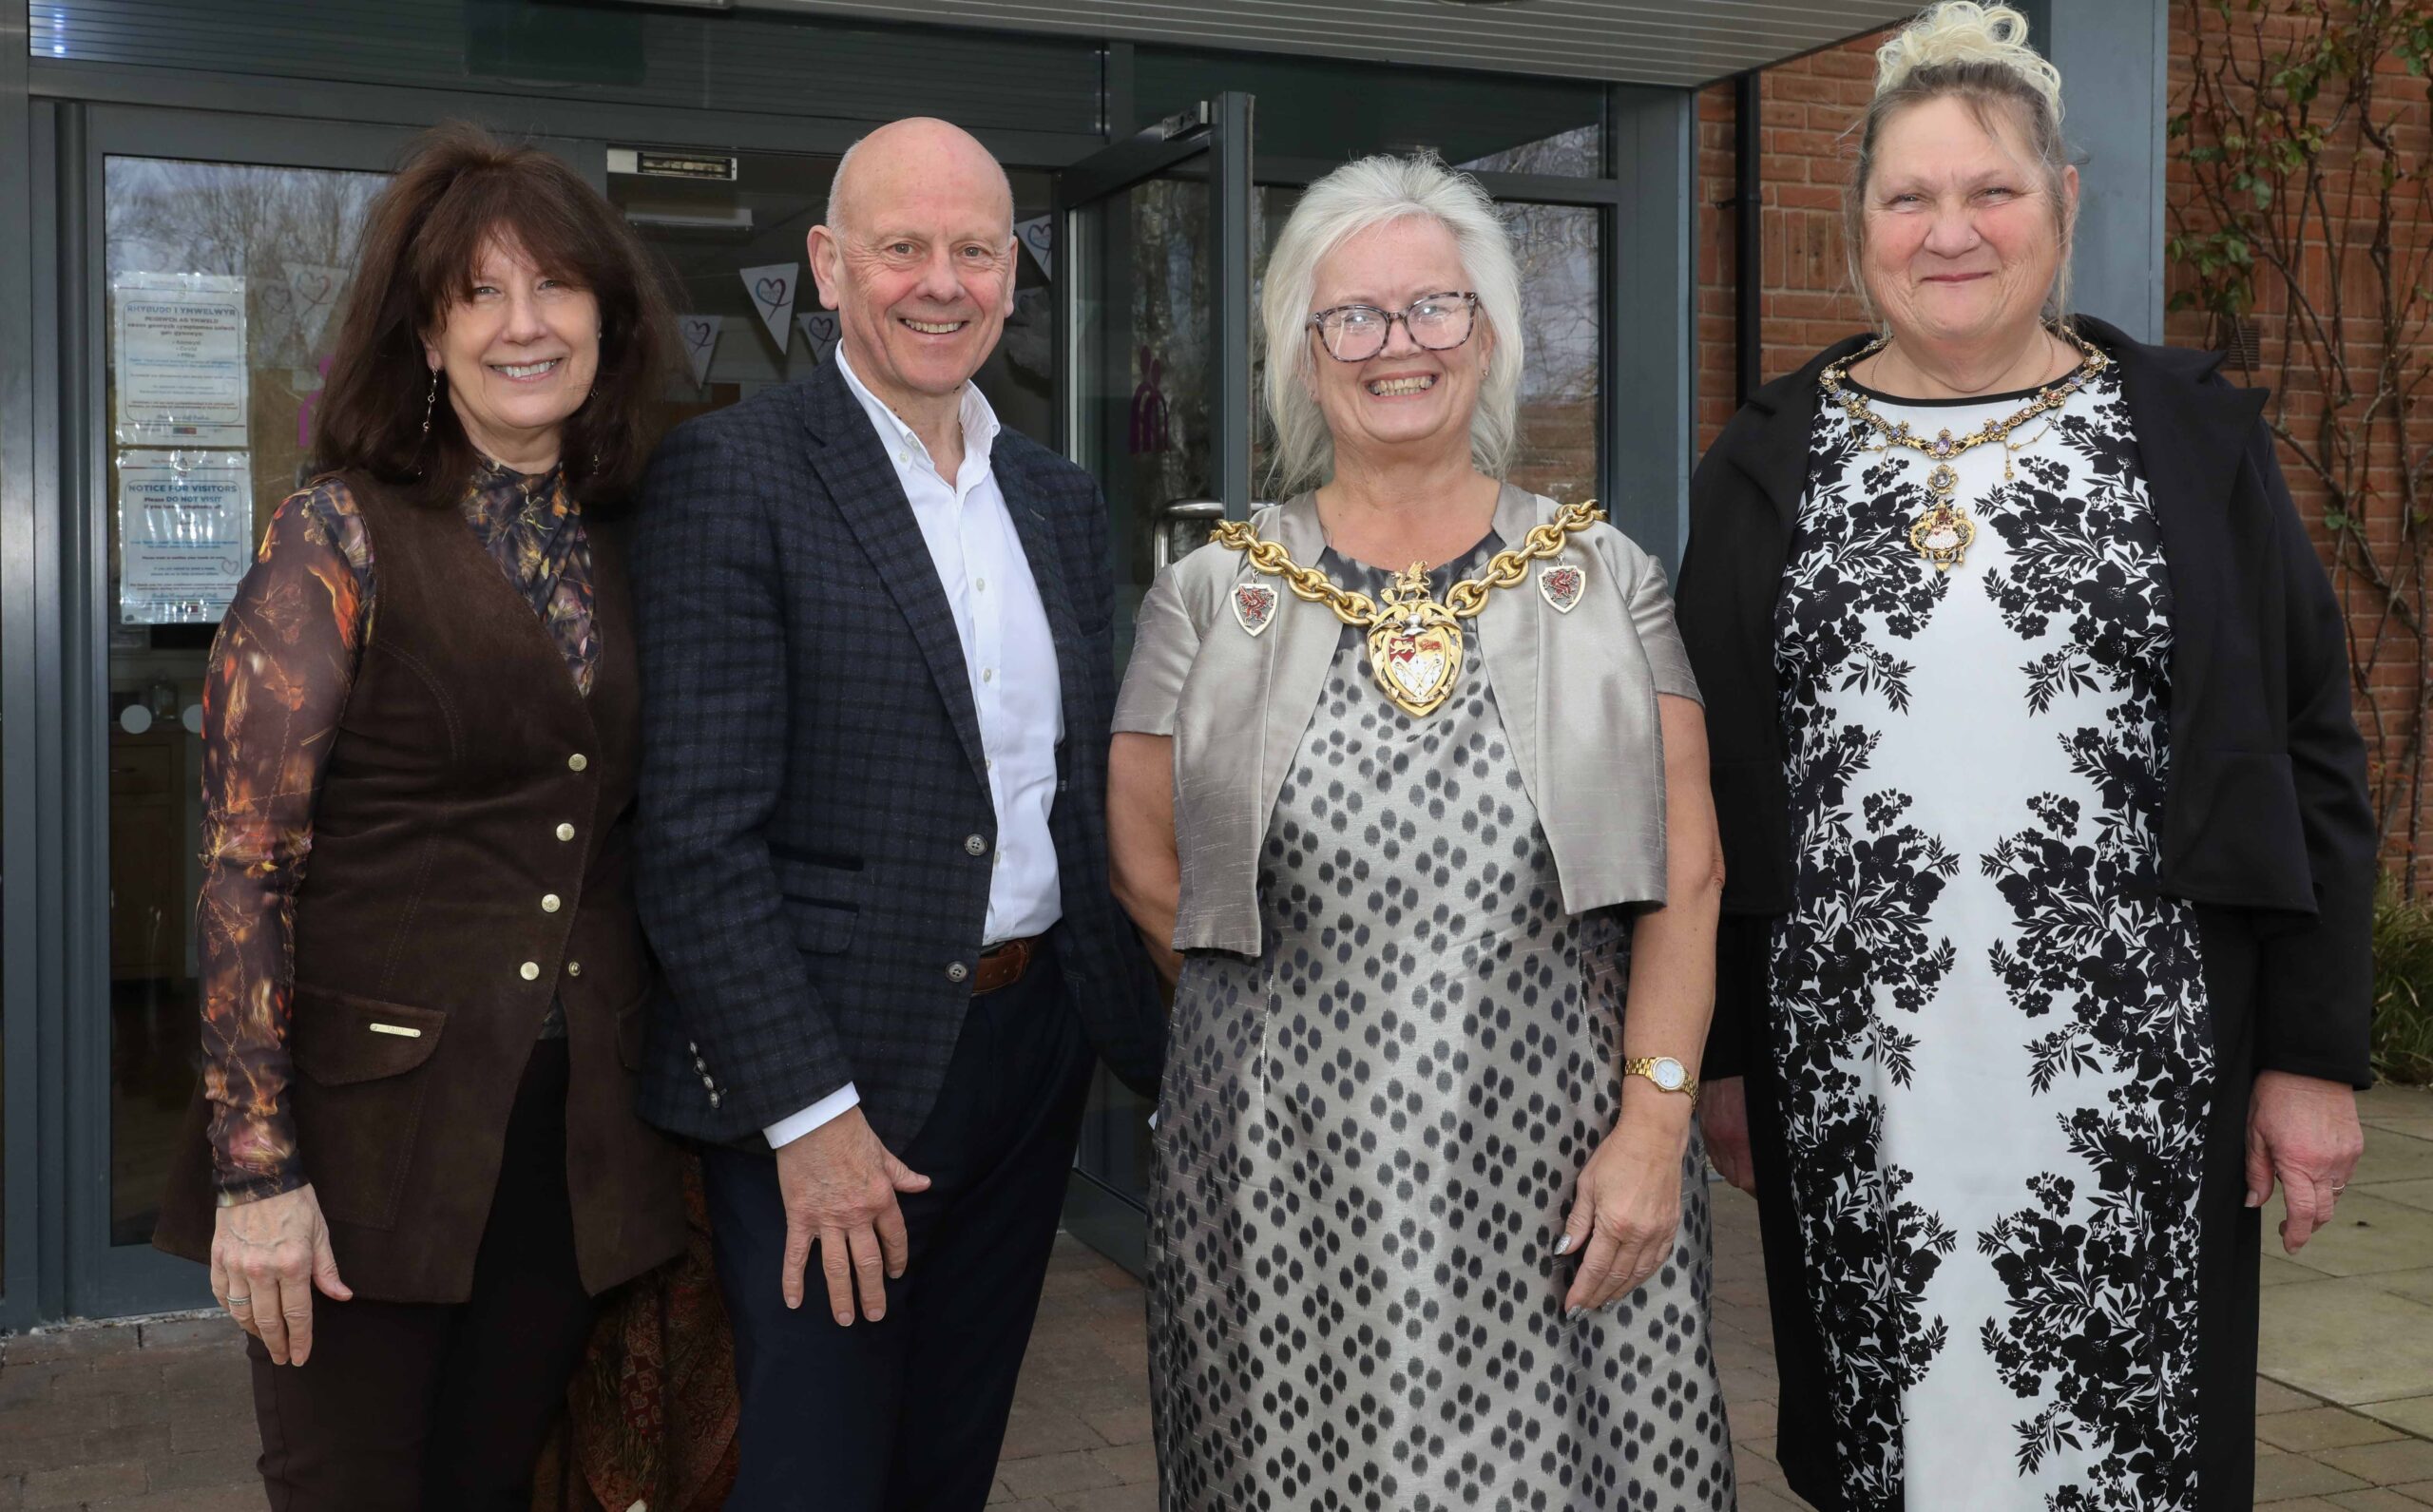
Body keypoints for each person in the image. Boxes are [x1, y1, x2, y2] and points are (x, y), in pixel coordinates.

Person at [1675, 7, 2375, 1508]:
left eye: (1990, 191)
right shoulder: (1763, 461)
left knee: (2129, 1456)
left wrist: (2312, 1057)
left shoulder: (2191, 440)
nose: (1950, 232)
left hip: (2140, 1078)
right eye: (1907, 196)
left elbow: (2314, 745)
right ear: (1856, 223)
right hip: (1854, 1075)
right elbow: (1711, 786)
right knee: (1896, 1442)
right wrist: (1725, 1051)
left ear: (2065, 202)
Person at [1108, 153, 1734, 1511]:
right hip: (1278, 1183)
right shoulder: (1213, 595)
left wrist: (1653, 1121)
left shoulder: (1603, 578)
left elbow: (1687, 870)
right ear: (1302, 352)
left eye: (1433, 308)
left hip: (1566, 1163)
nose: (1399, 345)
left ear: (1489, 333)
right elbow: (1146, 866)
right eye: (1355, 316)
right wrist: (1295, 1039)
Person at [628, 116, 1164, 1512]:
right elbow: (695, 839)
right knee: (817, 1474)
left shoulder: (1054, 494)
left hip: (1031, 1049)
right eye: (903, 248)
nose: (942, 282)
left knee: (949, 1458)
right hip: (831, 1073)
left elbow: (1074, 785)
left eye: (975, 250)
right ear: (827, 266)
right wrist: (810, 1118)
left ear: (1012, 271)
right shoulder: (733, 474)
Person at [152, 123, 689, 1509]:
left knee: (492, 1483)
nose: (525, 324)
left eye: (557, 287)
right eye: (481, 295)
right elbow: (241, 871)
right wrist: (255, 1175)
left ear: (605, 319)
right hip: (366, 1149)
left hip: (570, 1143)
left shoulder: (636, 534)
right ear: (426, 337)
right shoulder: (335, 534)